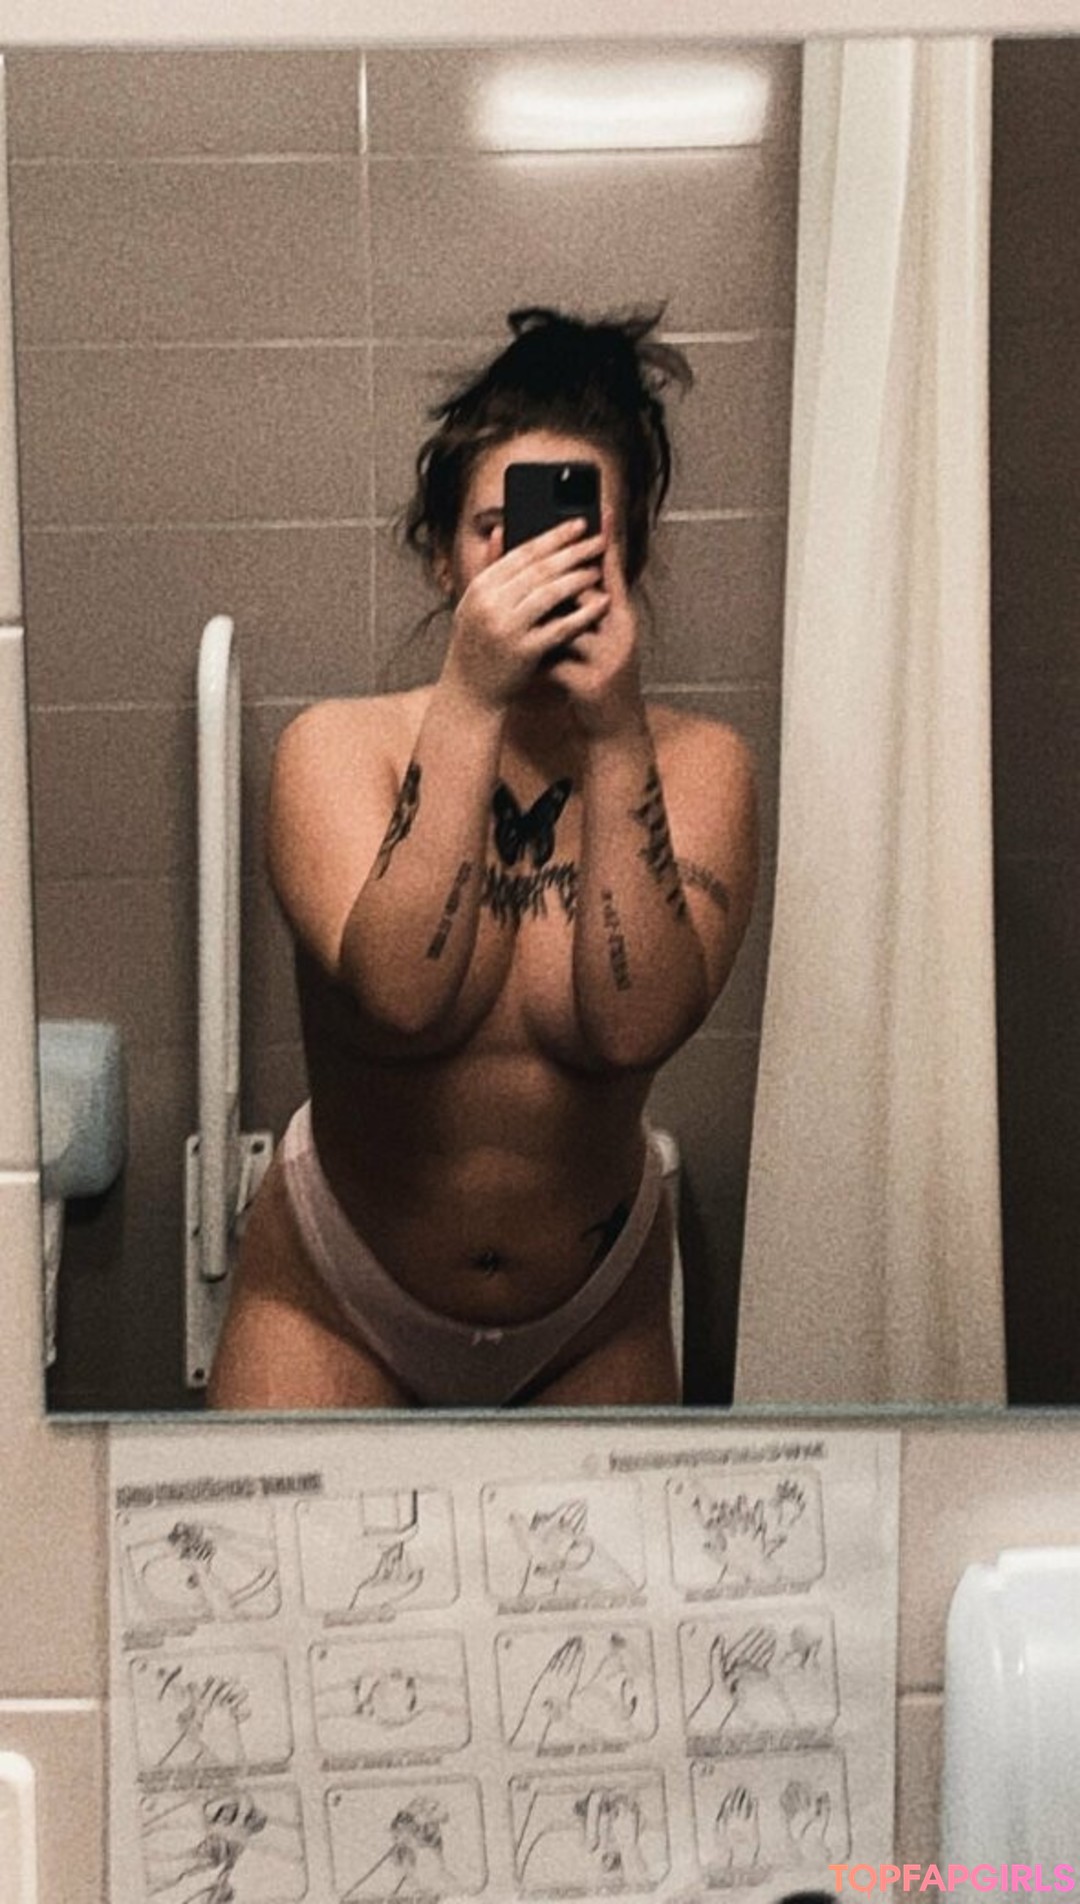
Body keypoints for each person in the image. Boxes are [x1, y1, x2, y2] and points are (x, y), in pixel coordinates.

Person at [209, 306, 757, 1411]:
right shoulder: (335, 748)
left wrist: (614, 733)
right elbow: (402, 993)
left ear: (629, 555)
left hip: (593, 1313)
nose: (531, 562)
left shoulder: (702, 765)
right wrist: (471, 696)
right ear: (439, 558)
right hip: (334, 1292)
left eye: (572, 533)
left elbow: (636, 1026)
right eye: (496, 530)